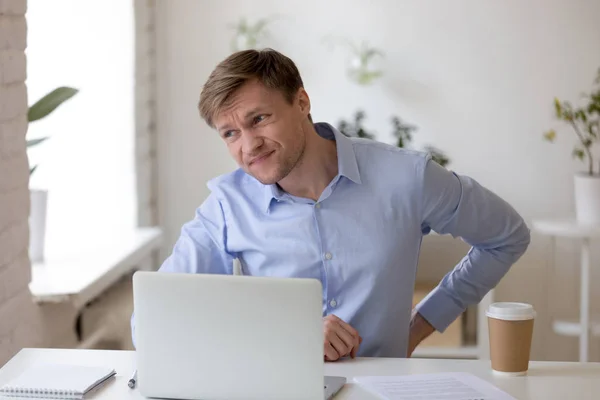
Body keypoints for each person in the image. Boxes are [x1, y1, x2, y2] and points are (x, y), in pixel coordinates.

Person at [130, 48, 530, 361]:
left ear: (301, 102)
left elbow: (506, 235)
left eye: (259, 119)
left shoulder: (407, 177)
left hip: (382, 388)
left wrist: (421, 324)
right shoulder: (225, 206)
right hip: (274, 385)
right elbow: (151, 319)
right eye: (230, 133)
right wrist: (292, 333)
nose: (248, 146)